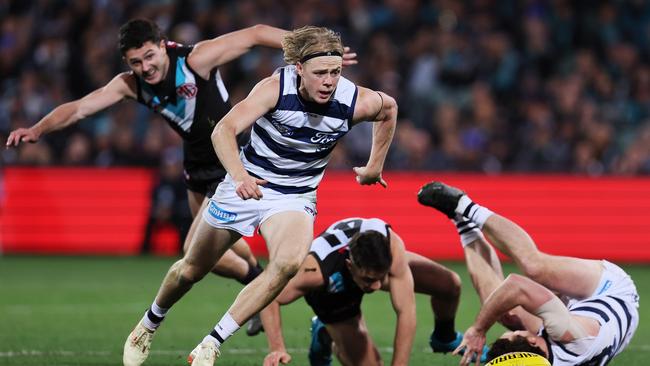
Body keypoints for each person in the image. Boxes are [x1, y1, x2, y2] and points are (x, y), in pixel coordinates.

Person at [5, 19, 355, 354]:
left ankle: (264, 308)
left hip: (230, 157)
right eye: (135, 62)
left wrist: (309, 51)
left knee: (194, 254)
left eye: (149, 56)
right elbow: (81, 108)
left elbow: (255, 33)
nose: (145, 67)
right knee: (212, 257)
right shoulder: (131, 84)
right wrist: (38, 129)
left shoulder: (195, 59)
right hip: (196, 164)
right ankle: (258, 285)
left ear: (163, 46)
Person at [123, 25, 396, 366]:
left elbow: (389, 109)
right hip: (248, 184)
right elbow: (224, 130)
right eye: (321, 73)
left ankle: (212, 342)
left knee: (288, 263)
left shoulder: (352, 100)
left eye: (335, 72)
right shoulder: (273, 89)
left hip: (294, 197)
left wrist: (374, 166)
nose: (329, 81)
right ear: (299, 69)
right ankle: (148, 325)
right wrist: (239, 177)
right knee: (191, 269)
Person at [417, 181, 639, 366]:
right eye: (516, 334)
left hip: (585, 321)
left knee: (502, 309)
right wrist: (478, 329)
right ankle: (464, 205)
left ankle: (461, 221)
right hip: (610, 291)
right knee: (534, 268)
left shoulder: (547, 357)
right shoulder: (568, 335)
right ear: (533, 342)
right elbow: (516, 285)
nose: (514, 330)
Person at [260, 217, 467, 366]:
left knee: (449, 284)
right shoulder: (313, 272)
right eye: (370, 280)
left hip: (365, 264)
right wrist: (277, 347)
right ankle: (324, 332)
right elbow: (267, 296)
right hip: (332, 292)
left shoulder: (392, 246)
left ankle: (445, 338)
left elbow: (406, 311)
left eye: (381, 278)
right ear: (350, 266)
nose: (377, 287)